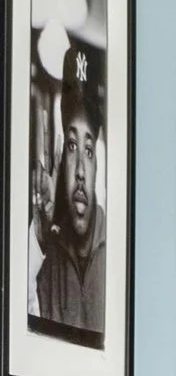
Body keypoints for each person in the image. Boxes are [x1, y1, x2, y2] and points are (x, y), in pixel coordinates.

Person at [33, 38, 103, 342]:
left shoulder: (117, 249)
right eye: (72, 146)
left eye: (88, 150)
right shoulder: (47, 256)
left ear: (97, 162)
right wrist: (38, 233)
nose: (79, 172)